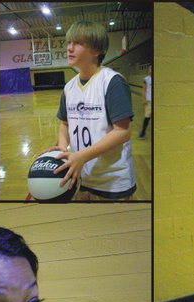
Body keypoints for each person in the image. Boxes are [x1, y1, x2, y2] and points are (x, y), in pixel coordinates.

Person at [45, 20, 136, 201]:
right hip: (80, 176)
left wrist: (82, 156)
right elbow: (65, 123)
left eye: (77, 43)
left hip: (112, 180)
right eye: (69, 42)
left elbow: (123, 132)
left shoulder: (112, 82)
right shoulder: (69, 87)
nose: (69, 48)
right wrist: (62, 147)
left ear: (96, 50)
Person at [138, 64, 151, 139]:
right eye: (150, 68)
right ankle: (143, 132)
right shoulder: (146, 79)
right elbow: (143, 90)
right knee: (147, 117)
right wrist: (143, 99)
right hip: (149, 102)